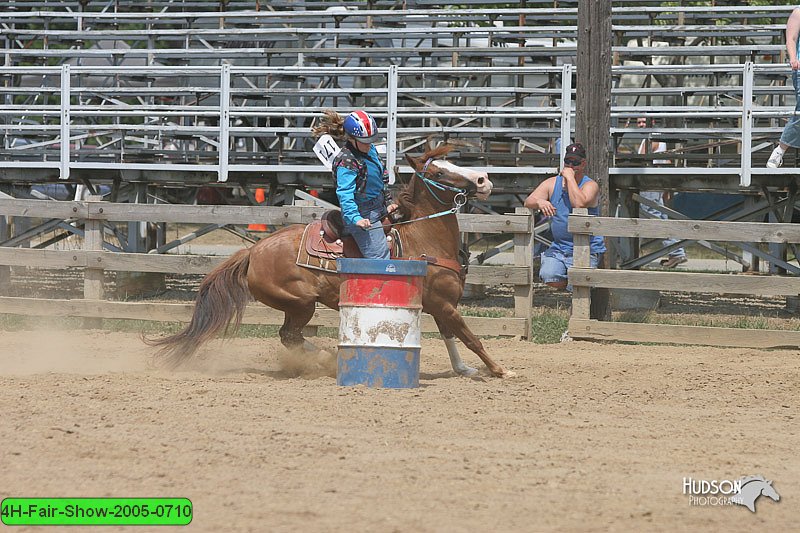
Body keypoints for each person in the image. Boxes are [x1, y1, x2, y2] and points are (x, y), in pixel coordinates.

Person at [313, 109, 398, 259]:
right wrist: (356, 218)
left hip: (379, 205)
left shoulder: (369, 150)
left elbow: (382, 176)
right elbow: (345, 194)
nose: (369, 144)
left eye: (371, 140)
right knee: (380, 256)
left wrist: (388, 201)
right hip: (363, 212)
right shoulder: (346, 161)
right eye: (365, 141)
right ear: (352, 139)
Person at [523, 142, 605, 290]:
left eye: (575, 162)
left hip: (587, 247)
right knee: (548, 275)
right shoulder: (552, 183)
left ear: (583, 164)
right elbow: (528, 201)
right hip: (559, 248)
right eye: (568, 161)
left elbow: (578, 203)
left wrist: (570, 178)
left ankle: (577, 293)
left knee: (581, 285)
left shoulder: (590, 185)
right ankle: (572, 287)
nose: (571, 165)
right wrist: (540, 202)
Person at [636, 118, 687, 268]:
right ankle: (675, 253)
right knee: (658, 216)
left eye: (643, 122)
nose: (640, 125)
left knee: (651, 214)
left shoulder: (652, 137)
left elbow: (642, 158)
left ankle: (677, 252)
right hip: (654, 183)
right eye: (638, 122)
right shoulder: (650, 137)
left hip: (650, 183)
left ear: (651, 122)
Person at [767, 7, 800, 168]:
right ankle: (780, 149)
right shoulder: (799, 12)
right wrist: (793, 59)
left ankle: (780, 150)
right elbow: (791, 38)